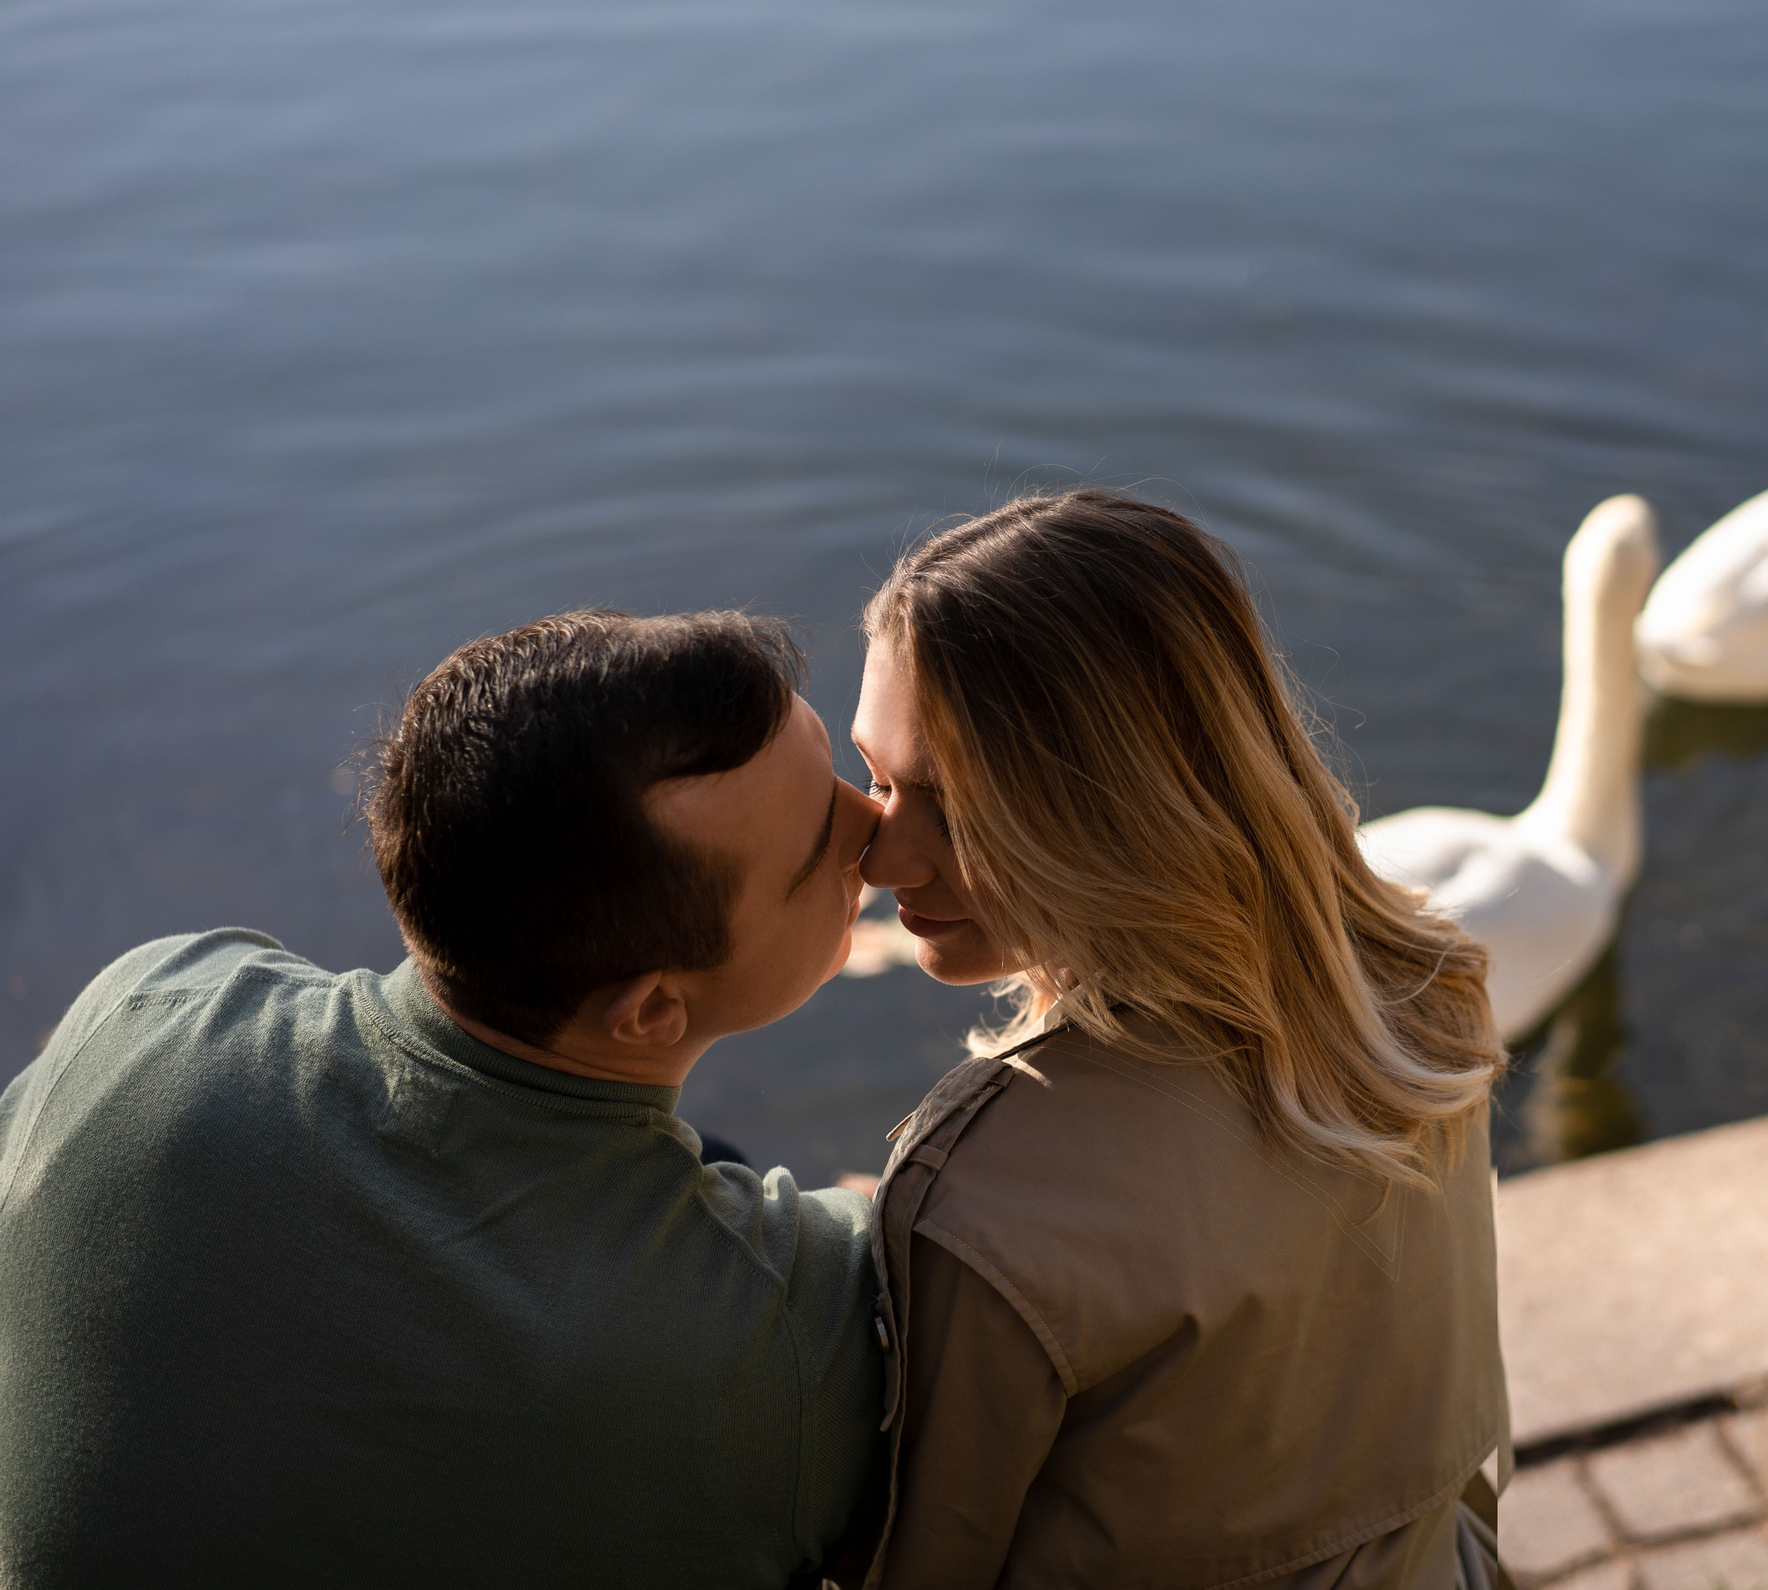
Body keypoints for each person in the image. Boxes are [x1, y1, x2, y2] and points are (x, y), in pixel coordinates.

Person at [0, 610, 889, 1588]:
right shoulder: (782, 1339)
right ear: (651, 1011)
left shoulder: (150, 1008)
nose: (878, 832)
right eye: (823, 852)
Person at [843, 492, 1514, 1589]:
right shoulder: (1424, 986)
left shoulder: (990, 1192)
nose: (884, 859)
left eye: (957, 808)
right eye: (875, 781)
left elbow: (927, 1570)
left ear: (1114, 807)